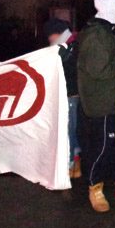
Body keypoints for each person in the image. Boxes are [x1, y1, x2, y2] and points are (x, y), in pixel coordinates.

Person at [76, 0, 115, 213]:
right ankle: (95, 188)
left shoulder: (106, 31)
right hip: (102, 103)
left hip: (112, 100)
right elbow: (100, 70)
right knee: (101, 148)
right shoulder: (96, 35)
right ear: (111, 6)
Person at [44, 18, 82, 179]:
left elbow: (72, 70)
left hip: (72, 94)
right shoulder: (69, 45)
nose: (48, 39)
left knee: (69, 131)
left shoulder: (72, 47)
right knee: (71, 130)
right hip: (70, 94)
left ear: (56, 34)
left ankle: (71, 164)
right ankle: (75, 164)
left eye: (50, 35)